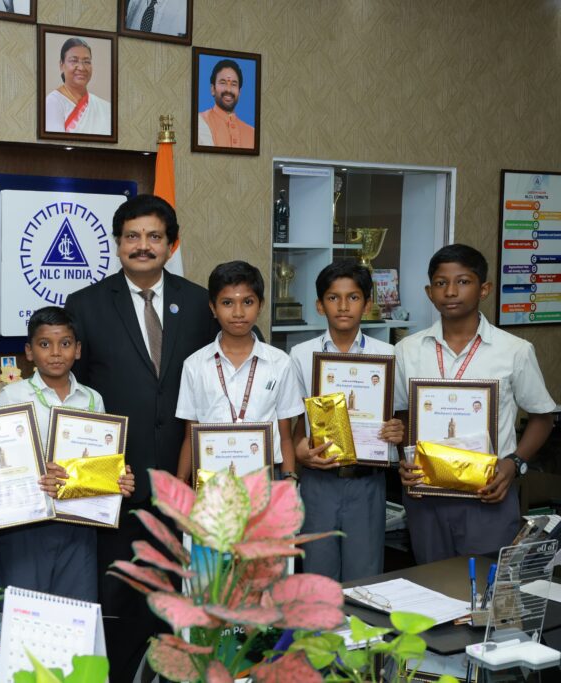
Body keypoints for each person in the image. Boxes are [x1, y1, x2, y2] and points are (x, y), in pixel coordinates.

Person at [65, 194, 216, 681]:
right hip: (118, 485)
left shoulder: (200, 303)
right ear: (117, 243)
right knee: (120, 604)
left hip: (184, 479)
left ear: (172, 244)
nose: (143, 246)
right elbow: (76, 396)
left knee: (182, 602)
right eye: (132, 236)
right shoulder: (85, 305)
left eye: (154, 236)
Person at [396, 244, 556, 564]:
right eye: (441, 283)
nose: (450, 291)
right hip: (426, 496)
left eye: (463, 281)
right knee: (428, 584)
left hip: (488, 494)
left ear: (484, 289)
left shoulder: (514, 350)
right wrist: (405, 459)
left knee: (484, 586)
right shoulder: (407, 349)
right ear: (429, 292)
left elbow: (543, 416)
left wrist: (514, 463)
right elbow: (401, 416)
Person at [0, 306, 135, 602]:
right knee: (25, 611)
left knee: (74, 610)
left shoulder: (92, 399)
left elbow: (101, 460)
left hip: (79, 523)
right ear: (29, 351)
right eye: (45, 344)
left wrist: (116, 477)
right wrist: (37, 473)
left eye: (65, 343)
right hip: (27, 525)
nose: (56, 353)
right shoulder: (12, 396)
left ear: (78, 350)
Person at [288, 261, 404, 581]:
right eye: (333, 297)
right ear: (319, 305)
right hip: (318, 479)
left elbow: (400, 417)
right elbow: (294, 422)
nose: (342, 306)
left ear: (367, 305)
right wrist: (299, 450)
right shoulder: (300, 355)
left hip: (367, 481)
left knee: (365, 579)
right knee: (317, 578)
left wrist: (398, 430)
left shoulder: (388, 354)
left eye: (353, 297)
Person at [176, 260, 301, 483]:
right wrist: (180, 480)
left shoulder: (280, 363)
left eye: (248, 302)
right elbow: (189, 436)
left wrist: (290, 479)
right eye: (227, 303)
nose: (238, 312)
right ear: (213, 308)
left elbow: (285, 437)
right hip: (211, 479)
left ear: (260, 305)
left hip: (265, 479)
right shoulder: (194, 365)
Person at [45, 37, 111, 136]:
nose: (81, 68)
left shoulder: (105, 108)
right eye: (74, 60)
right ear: (61, 65)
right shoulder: (53, 102)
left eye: (87, 62)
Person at [198, 58, 255, 149]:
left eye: (233, 84)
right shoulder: (200, 122)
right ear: (213, 89)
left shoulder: (252, 133)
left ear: (239, 92)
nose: (228, 89)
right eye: (223, 82)